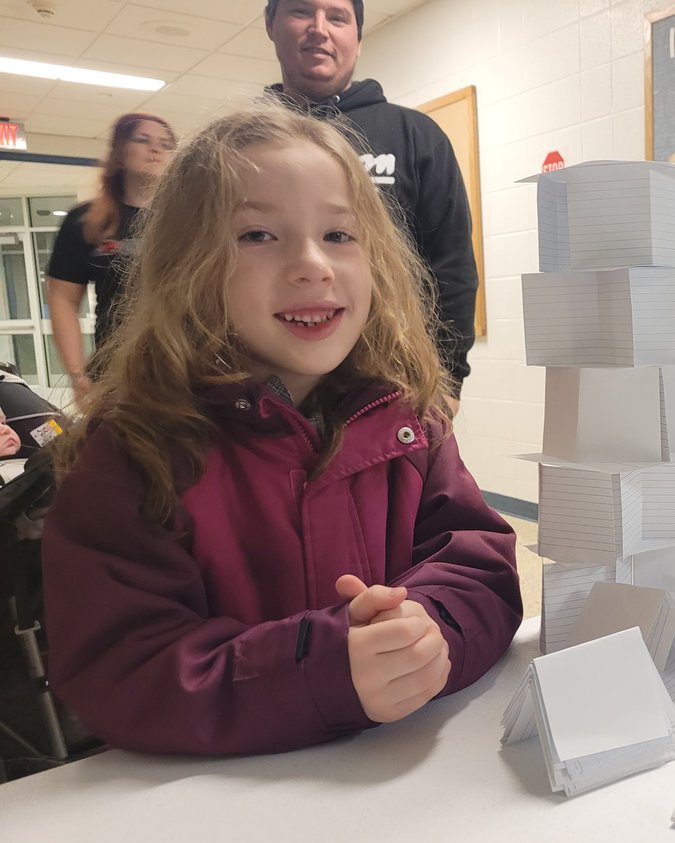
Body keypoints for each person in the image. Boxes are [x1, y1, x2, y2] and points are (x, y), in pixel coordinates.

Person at [40, 101, 523, 756]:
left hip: (395, 807)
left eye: (339, 235)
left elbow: (479, 567)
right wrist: (323, 669)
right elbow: (120, 666)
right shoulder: (135, 451)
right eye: (258, 236)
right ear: (190, 268)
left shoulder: (410, 422)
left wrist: (429, 628)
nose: (311, 265)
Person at [264, 0, 477, 408]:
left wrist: (447, 383)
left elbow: (452, 268)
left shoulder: (415, 136)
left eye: (337, 17)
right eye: (301, 12)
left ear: (358, 39)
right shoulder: (240, 144)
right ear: (271, 23)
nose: (319, 28)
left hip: (391, 387)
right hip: (263, 390)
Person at [45, 113, 176, 404]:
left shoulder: (189, 219)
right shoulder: (87, 221)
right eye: (142, 139)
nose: (155, 149)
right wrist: (78, 376)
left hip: (185, 368)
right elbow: (63, 301)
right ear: (118, 154)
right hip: (116, 373)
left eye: (165, 144)